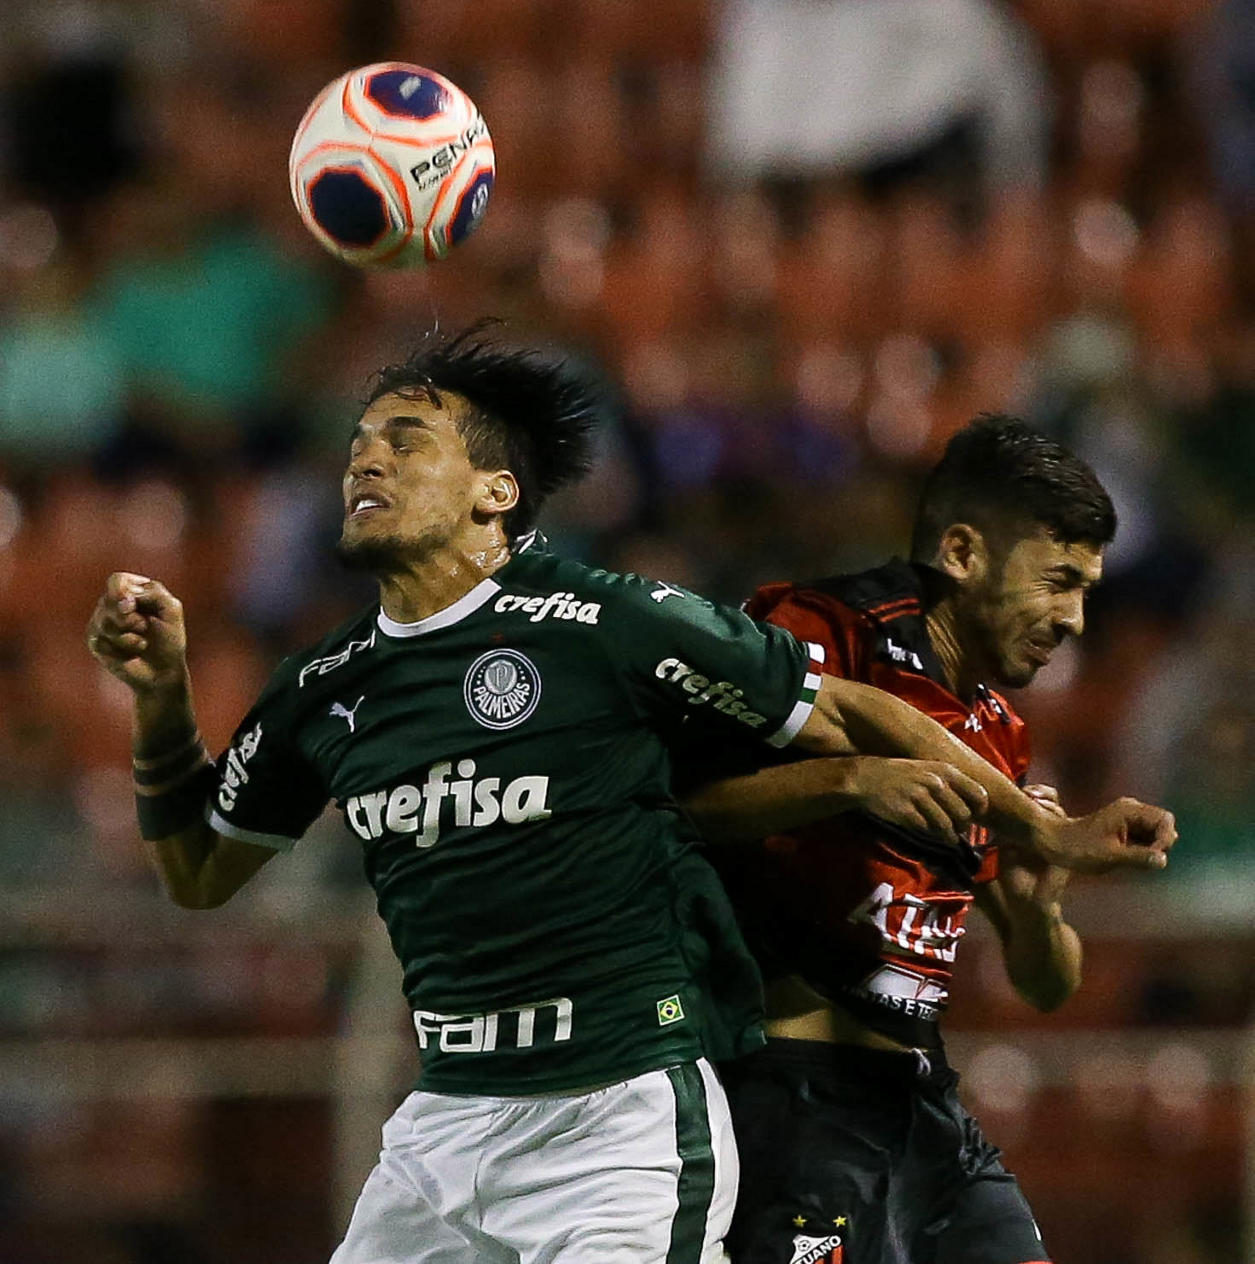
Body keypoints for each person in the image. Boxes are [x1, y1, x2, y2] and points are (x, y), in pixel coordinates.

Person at [86, 332, 1172, 1264]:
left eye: (405, 441)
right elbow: (197, 869)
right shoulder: (323, 688)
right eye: (360, 442)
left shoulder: (605, 622)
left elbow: (855, 710)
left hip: (615, 1124)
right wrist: (161, 698)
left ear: (494, 492)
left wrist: (1038, 828)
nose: (365, 458)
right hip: (442, 1122)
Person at [677, 414, 1143, 1264]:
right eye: (1057, 582)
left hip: (923, 1106)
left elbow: (1044, 985)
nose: (1074, 619)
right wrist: (851, 778)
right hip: (792, 1098)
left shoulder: (998, 731)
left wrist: (1037, 909)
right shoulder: (823, 634)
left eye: (1085, 589)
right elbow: (679, 807)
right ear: (961, 552)